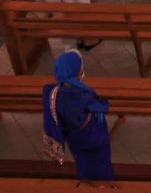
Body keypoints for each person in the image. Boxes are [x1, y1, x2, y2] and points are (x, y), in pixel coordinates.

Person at [42, 51, 114, 181]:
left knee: (82, 161)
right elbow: (101, 106)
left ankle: (85, 179)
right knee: (100, 164)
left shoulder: (53, 93)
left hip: (73, 137)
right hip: (91, 136)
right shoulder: (82, 96)